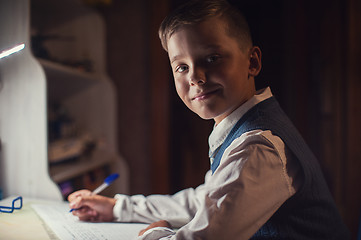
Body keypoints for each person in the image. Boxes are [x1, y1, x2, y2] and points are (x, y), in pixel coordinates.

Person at [68, 0, 350, 239]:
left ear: (252, 62)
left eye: (212, 58)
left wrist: (155, 233)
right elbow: (204, 201)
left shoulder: (257, 146)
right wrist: (118, 208)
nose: (195, 77)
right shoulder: (241, 128)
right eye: (181, 66)